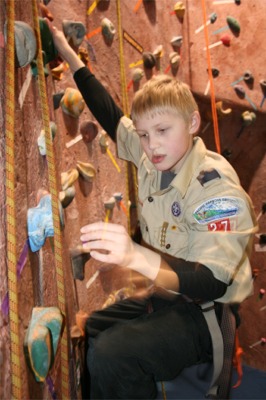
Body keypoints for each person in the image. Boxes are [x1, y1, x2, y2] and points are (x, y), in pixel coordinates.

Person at [47, 21, 257, 399]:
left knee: (112, 355)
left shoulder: (215, 189)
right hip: (168, 296)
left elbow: (213, 281)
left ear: (192, 123)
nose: (151, 145)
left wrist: (136, 256)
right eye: (144, 135)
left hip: (205, 310)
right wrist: (65, 50)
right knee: (91, 329)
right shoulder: (153, 156)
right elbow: (112, 117)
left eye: (162, 131)